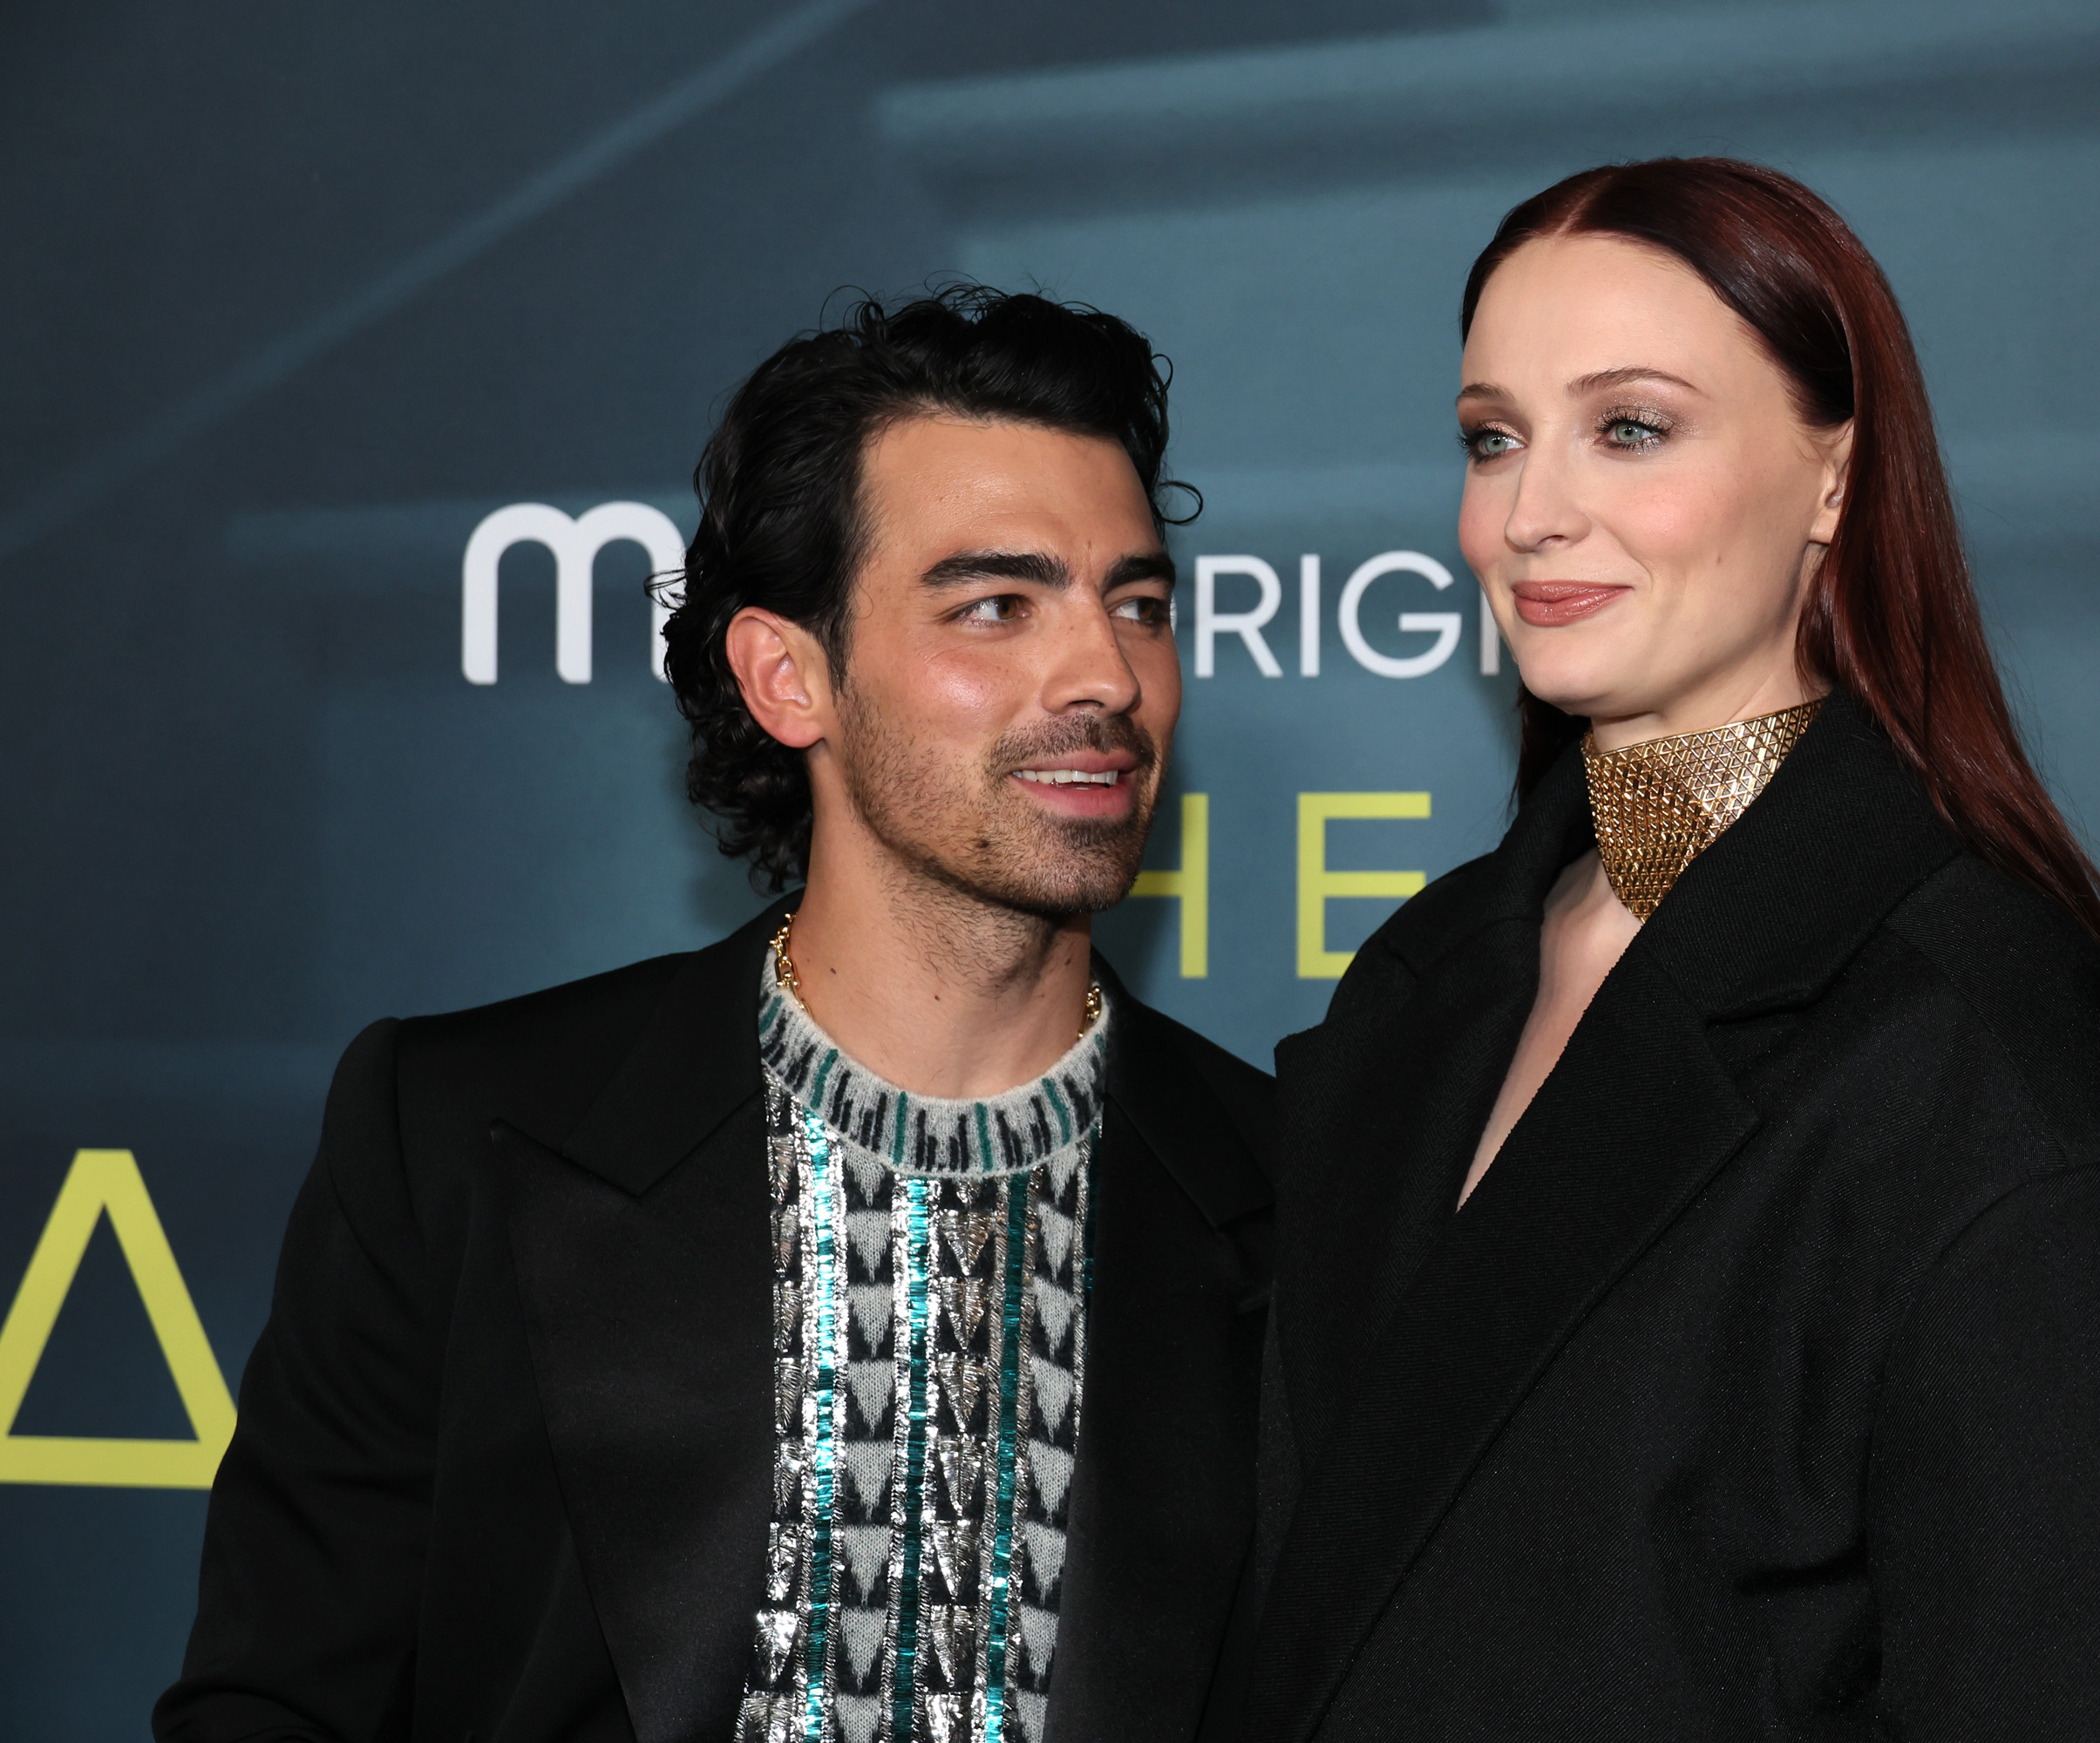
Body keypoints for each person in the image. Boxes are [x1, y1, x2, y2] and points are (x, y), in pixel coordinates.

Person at [157, 288, 1271, 1743]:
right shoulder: (457, 1143)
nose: (1106, 677)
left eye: (1136, 604)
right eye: (995, 606)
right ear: (787, 675)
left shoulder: (1299, 1188)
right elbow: (278, 1708)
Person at [1247, 159, 2100, 1740]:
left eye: (1631, 428)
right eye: (1492, 438)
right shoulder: (1425, 976)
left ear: (1834, 481)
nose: (1532, 513)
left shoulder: (1979, 1043)